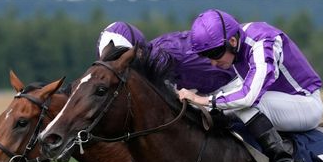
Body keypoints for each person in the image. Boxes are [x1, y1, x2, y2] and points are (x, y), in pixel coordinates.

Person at [175, 10, 323, 162]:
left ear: (232, 41)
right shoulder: (238, 42)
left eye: (215, 54)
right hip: (280, 101)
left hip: (307, 104)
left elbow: (249, 96)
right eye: (207, 56)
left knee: (244, 105)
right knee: (223, 105)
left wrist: (202, 99)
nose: (213, 63)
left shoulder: (263, 42)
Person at [96, 21, 231, 96]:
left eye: (123, 58)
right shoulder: (148, 57)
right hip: (214, 91)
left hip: (237, 83)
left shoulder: (161, 53)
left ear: (138, 51)